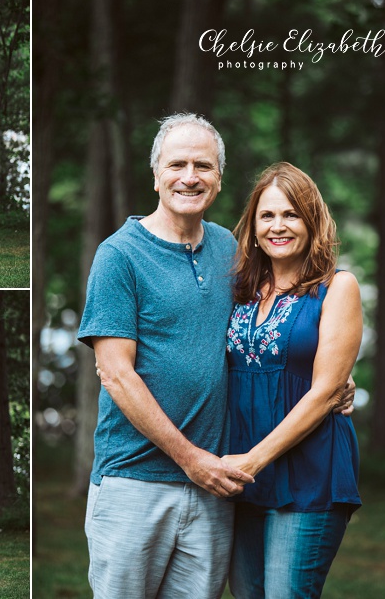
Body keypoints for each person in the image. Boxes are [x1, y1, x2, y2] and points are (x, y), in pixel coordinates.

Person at [77, 113, 255, 598]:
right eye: (178, 164)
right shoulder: (120, 255)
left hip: (212, 486)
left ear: (219, 178)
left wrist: (329, 381)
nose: (190, 177)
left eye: (204, 165)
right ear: (155, 174)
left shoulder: (230, 250)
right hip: (134, 481)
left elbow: (267, 335)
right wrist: (190, 458)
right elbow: (115, 374)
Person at [222, 162, 362, 598]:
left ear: (312, 221)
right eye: (267, 216)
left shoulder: (338, 288)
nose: (277, 226)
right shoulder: (239, 289)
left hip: (309, 472)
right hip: (241, 475)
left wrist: (253, 460)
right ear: (253, 224)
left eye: (291, 214)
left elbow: (324, 393)